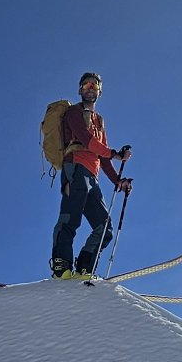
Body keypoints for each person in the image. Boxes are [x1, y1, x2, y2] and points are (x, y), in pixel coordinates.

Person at [51, 71, 131, 278]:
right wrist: (115, 154)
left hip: (91, 177)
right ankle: (61, 267)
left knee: (105, 228)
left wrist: (118, 181)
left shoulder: (99, 121)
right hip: (75, 168)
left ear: (99, 92)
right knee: (70, 218)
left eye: (94, 86)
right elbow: (86, 140)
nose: (90, 88)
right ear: (80, 90)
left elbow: (102, 156)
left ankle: (85, 267)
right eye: (86, 85)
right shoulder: (73, 113)